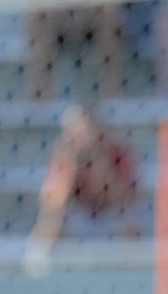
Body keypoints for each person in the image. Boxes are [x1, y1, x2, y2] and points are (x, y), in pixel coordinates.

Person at [24, 104, 146, 272]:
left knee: (130, 220)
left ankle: (137, 269)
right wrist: (71, 170)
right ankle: (37, 270)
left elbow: (127, 197)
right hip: (80, 212)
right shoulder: (64, 154)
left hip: (110, 211)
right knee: (52, 220)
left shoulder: (117, 151)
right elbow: (52, 201)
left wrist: (104, 168)